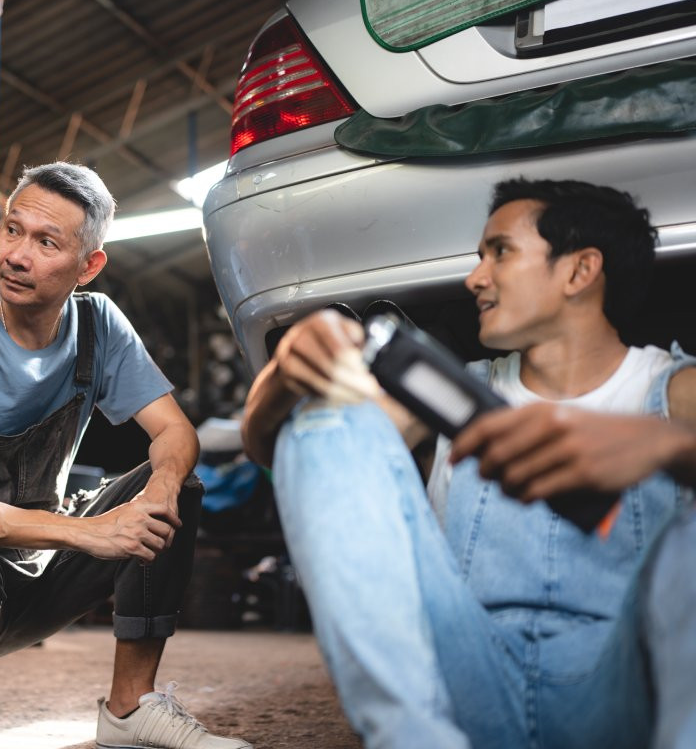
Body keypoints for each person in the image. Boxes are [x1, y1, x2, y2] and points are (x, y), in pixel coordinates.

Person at [241, 178, 696, 748]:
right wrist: (284, 371)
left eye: (500, 252)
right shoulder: (452, 397)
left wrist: (667, 446)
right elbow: (290, 452)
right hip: (472, 676)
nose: (475, 278)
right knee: (325, 421)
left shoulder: (674, 390)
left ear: (580, 271)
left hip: (626, 687)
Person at [0, 161, 250, 749]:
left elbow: (176, 434)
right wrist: (90, 532)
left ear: (88, 266)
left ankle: (129, 708)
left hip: (37, 570)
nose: (16, 256)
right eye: (12, 230)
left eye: (46, 242)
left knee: (177, 486)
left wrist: (158, 493)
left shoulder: (98, 326)